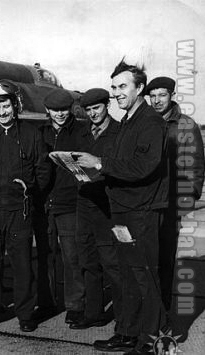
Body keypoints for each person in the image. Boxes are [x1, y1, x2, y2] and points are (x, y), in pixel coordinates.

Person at [76, 60, 167, 354]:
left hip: (140, 212)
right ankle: (127, 332)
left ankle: (150, 340)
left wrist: (100, 163)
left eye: (122, 86)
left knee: (144, 277)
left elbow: (144, 165)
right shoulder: (129, 119)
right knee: (128, 276)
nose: (116, 93)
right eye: (113, 87)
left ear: (140, 88)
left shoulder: (150, 121)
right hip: (122, 211)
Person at [0, 80, 50, 332]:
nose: (2, 111)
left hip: (20, 211)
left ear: (15, 105)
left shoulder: (30, 134)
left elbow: (43, 170)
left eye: (5, 105)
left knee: (22, 264)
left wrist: (28, 190)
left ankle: (26, 314)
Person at [146, 76, 205, 311]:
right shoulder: (145, 122)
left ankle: (164, 314)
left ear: (172, 95)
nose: (157, 100)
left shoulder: (185, 126)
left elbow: (196, 169)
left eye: (162, 95)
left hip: (170, 205)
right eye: (152, 96)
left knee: (165, 260)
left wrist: (184, 202)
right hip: (145, 204)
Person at [69, 88, 122, 330]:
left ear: (106, 105)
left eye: (96, 108)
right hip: (84, 203)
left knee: (112, 263)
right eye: (88, 110)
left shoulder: (119, 132)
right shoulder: (82, 133)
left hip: (107, 206)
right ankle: (94, 313)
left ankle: (124, 318)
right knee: (88, 260)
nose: (92, 114)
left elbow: (122, 170)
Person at [41, 88, 86, 325]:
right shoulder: (40, 132)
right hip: (46, 203)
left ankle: (75, 305)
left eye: (64, 109)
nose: (59, 114)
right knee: (45, 255)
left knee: (72, 256)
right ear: (47, 110)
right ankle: (47, 302)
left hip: (70, 203)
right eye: (55, 110)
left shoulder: (81, 131)